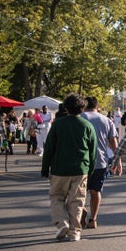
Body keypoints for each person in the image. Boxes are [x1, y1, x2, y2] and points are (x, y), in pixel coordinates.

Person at [41, 94, 96, 242]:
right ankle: (75, 232)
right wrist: (90, 169)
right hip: (80, 169)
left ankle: (62, 223)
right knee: (77, 200)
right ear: (82, 108)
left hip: (59, 169)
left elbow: (49, 148)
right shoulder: (87, 126)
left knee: (56, 197)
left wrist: (45, 167)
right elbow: (93, 151)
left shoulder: (58, 124)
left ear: (66, 107)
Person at [80, 95, 119, 228]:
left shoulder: (80, 118)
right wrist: (117, 160)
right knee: (95, 191)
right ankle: (93, 219)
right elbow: (113, 141)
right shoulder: (106, 120)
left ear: (84, 105)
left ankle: (82, 211)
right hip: (100, 160)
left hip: (82, 161)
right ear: (97, 106)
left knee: (80, 191)